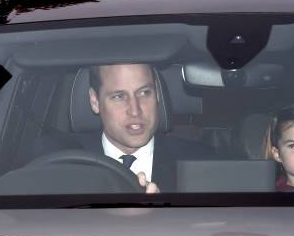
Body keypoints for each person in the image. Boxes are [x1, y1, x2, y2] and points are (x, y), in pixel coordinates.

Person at [86, 63, 212, 193]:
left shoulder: (202, 163)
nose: (135, 111)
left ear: (157, 94)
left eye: (144, 93)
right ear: (95, 101)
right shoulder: (68, 165)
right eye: (119, 96)